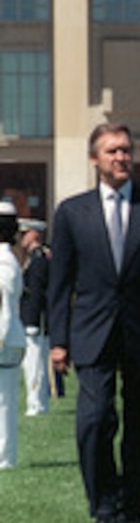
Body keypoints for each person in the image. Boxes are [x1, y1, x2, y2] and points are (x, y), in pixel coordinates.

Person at [49, 122, 140, 523]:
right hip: (91, 334)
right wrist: (58, 340)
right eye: (112, 151)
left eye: (126, 150)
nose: (121, 157)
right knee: (94, 421)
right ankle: (104, 503)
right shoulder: (72, 213)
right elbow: (59, 284)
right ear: (95, 160)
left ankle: (131, 507)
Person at [18, 218, 52, 415]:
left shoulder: (38, 259)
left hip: (35, 320)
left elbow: (37, 293)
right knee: (31, 363)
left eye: (25, 234)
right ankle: (37, 402)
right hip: (30, 318)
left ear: (34, 235)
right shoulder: (33, 258)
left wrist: (33, 320)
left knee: (35, 363)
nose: (22, 238)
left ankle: (36, 404)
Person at [0, 201, 25, 469]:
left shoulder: (4, 261)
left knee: (4, 402)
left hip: (4, 340)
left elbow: (4, 305)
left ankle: (4, 457)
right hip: (7, 339)